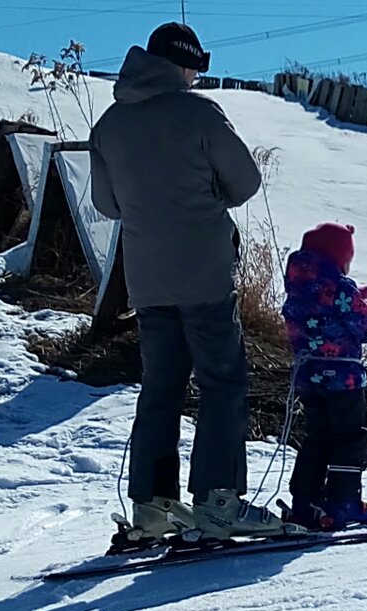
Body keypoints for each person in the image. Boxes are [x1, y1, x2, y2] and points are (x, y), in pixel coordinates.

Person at [89, 22, 284, 544]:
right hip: (203, 273)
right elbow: (244, 181)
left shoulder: (109, 123)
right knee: (221, 384)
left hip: (148, 281)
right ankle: (219, 503)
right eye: (196, 67)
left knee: (160, 389)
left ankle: (152, 508)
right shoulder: (199, 113)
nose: (198, 76)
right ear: (182, 64)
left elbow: (106, 205)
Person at [280, 223, 367, 531]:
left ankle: (305, 502)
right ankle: (344, 501)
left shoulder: (298, 286)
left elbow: (323, 315)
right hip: (342, 378)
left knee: (318, 437)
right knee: (350, 437)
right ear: (338, 257)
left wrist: (355, 299)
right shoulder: (340, 287)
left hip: (309, 377)